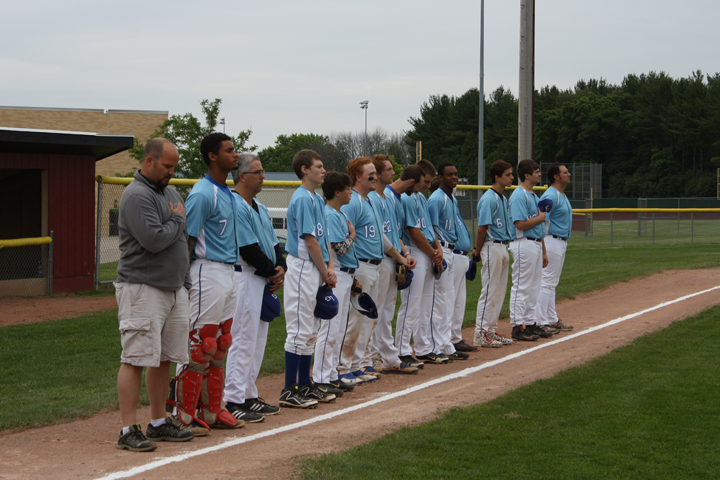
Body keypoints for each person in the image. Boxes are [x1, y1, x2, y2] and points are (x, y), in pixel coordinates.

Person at [115, 137, 194, 451]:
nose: (171, 172)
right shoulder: (136, 195)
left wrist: (184, 281)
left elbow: (180, 239)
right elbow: (153, 239)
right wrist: (176, 218)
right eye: (167, 166)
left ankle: (159, 422)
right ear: (149, 161)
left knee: (163, 358)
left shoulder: (170, 192)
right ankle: (127, 429)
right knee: (135, 357)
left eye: (174, 166)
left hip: (173, 288)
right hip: (142, 287)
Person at [173, 132, 242, 431]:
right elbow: (187, 239)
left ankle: (213, 410)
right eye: (229, 150)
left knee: (222, 342)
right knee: (201, 344)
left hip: (228, 271)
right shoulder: (202, 192)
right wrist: (184, 281)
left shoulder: (227, 192)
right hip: (206, 270)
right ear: (213, 156)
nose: (235, 154)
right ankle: (183, 413)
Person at [223, 154, 286, 423]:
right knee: (242, 339)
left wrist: (280, 266)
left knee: (257, 341)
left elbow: (273, 244)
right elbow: (247, 248)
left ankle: (248, 393)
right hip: (245, 276)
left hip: (260, 278)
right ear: (242, 176)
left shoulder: (259, 205)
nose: (263, 177)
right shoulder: (234, 204)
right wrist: (272, 271)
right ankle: (232, 399)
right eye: (258, 172)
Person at [338, 157, 411, 384]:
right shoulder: (353, 202)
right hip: (360, 265)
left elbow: (381, 237)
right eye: (370, 174)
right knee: (355, 320)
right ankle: (343, 368)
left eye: (375, 173)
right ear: (357, 177)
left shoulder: (369, 201)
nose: (375, 177)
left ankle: (358, 364)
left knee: (369, 320)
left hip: (375, 265)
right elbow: (342, 235)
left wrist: (400, 256)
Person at [282, 149, 337, 407]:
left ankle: (304, 383)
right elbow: (311, 241)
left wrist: (329, 268)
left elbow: (324, 241)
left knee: (310, 330)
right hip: (303, 265)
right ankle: (289, 389)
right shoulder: (303, 199)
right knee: (298, 329)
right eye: (318, 165)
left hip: (314, 267)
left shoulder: (314, 199)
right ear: (305, 169)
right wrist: (325, 271)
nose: (323, 170)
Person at [367, 155, 418, 375]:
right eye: (388, 169)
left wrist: (405, 253)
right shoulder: (374, 198)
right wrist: (400, 256)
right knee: (374, 313)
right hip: (379, 260)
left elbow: (393, 233)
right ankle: (372, 358)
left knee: (386, 312)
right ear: (377, 174)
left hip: (390, 259)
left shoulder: (386, 198)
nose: (392, 173)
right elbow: (380, 236)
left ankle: (387, 357)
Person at [395, 160, 449, 365]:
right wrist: (433, 253)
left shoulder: (420, 196)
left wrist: (437, 249)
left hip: (427, 251)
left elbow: (428, 228)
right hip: (415, 251)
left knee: (426, 305)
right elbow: (414, 232)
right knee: (411, 304)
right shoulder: (408, 198)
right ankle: (402, 350)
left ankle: (424, 347)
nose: (428, 185)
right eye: (425, 181)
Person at [313, 171, 360, 391]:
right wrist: (352, 235)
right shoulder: (329, 214)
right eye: (348, 188)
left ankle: (331, 374)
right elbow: (338, 249)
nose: (351, 192)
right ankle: (321, 377)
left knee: (338, 329)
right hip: (337, 274)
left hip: (347, 274)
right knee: (330, 328)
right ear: (337, 192)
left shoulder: (339, 214)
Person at [427, 162, 474, 358]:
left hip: (452, 251)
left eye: (455, 174)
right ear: (440, 176)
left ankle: (447, 344)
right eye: (449, 175)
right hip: (443, 251)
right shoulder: (436, 199)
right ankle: (439, 345)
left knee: (451, 300)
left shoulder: (451, 199)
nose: (454, 177)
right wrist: (437, 252)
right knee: (442, 301)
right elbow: (431, 228)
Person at [473, 160, 514, 348]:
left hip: (503, 246)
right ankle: (480, 333)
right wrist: (477, 250)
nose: (511, 177)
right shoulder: (489, 198)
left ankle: (490, 330)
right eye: (508, 174)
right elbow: (482, 228)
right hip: (491, 246)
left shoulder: (503, 198)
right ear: (497, 177)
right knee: (489, 291)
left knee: (499, 291)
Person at [508, 159, 550, 342]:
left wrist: (544, 250)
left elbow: (539, 228)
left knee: (534, 286)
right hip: (523, 242)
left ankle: (530, 322)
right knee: (521, 286)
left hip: (535, 243)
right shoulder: (519, 195)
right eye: (536, 171)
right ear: (526, 174)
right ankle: (517, 325)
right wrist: (541, 218)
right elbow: (520, 223)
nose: (539, 174)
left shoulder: (533, 196)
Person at [537, 163, 575, 332]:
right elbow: (542, 220)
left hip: (559, 241)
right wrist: (543, 246)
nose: (569, 174)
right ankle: (540, 321)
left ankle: (551, 318)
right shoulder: (550, 196)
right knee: (546, 281)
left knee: (552, 282)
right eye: (565, 172)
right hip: (551, 240)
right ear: (556, 177)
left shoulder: (561, 195)